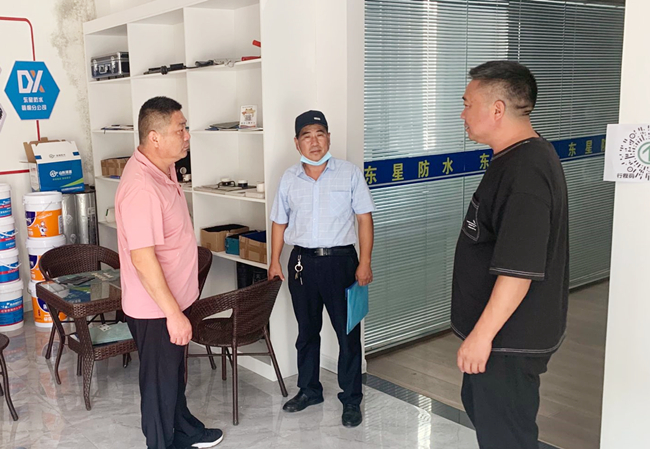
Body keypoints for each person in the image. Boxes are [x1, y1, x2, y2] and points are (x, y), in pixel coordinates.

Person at [452, 61, 569, 449]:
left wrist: (481, 337)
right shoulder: (518, 158)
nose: (463, 114)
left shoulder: (526, 172)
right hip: (502, 339)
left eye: (467, 104)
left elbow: (519, 270)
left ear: (497, 109)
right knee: (490, 421)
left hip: (508, 343)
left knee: (507, 437)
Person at [115, 96, 223, 449]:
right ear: (155, 137)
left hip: (173, 300)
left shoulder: (163, 168)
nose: (187, 135)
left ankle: (184, 430)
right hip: (157, 309)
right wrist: (173, 314)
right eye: (181, 129)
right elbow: (143, 259)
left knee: (173, 376)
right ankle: (161, 443)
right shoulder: (141, 187)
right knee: (158, 385)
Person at [268, 110, 375, 428]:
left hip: (342, 263)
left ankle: (351, 398)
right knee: (306, 331)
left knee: (348, 334)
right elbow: (279, 221)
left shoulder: (349, 173)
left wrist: (365, 262)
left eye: (320, 134)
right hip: (302, 264)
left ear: (328, 137)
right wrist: (274, 260)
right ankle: (309, 390)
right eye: (307, 136)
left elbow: (364, 219)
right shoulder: (289, 178)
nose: (314, 142)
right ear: (297, 142)